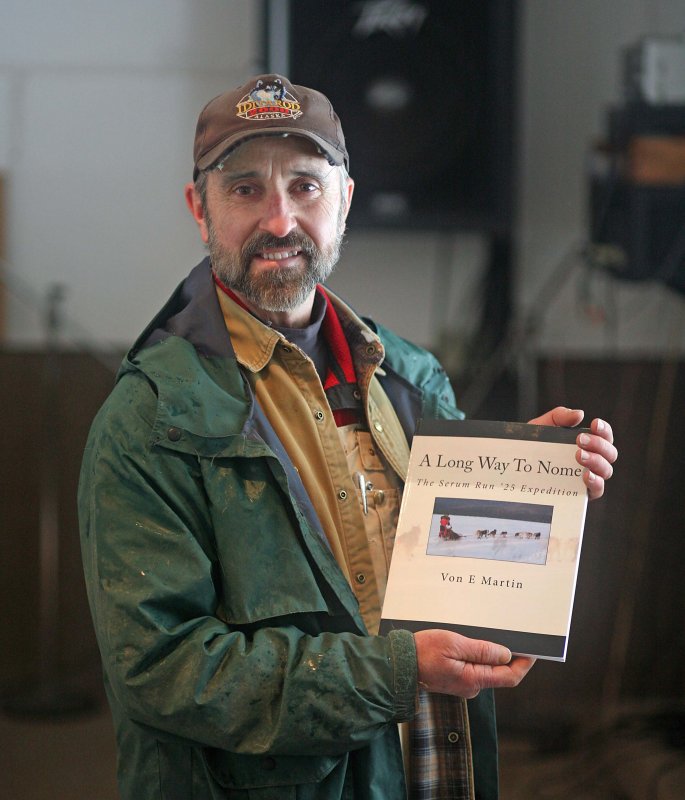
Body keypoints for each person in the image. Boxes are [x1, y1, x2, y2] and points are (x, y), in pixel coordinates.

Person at [78, 74, 618, 800]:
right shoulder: (149, 418)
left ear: (344, 202)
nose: (279, 221)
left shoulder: (413, 377)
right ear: (197, 210)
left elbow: (457, 576)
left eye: (304, 187)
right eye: (244, 190)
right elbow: (164, 670)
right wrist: (396, 673)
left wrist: (530, 483)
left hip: (432, 771)